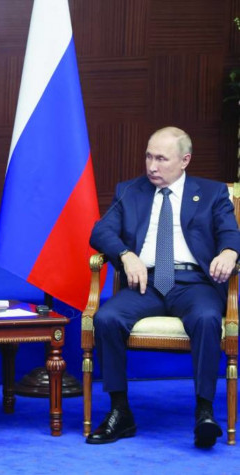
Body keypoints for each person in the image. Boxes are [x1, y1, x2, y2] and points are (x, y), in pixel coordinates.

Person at [87, 126, 240, 448]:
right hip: (146, 282)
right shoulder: (130, 191)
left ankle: (204, 412)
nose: (152, 166)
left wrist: (229, 252)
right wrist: (126, 254)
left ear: (185, 160)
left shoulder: (211, 193)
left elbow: (230, 232)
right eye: (148, 157)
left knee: (206, 318)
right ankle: (120, 411)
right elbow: (100, 232)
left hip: (194, 283)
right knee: (106, 318)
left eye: (161, 159)